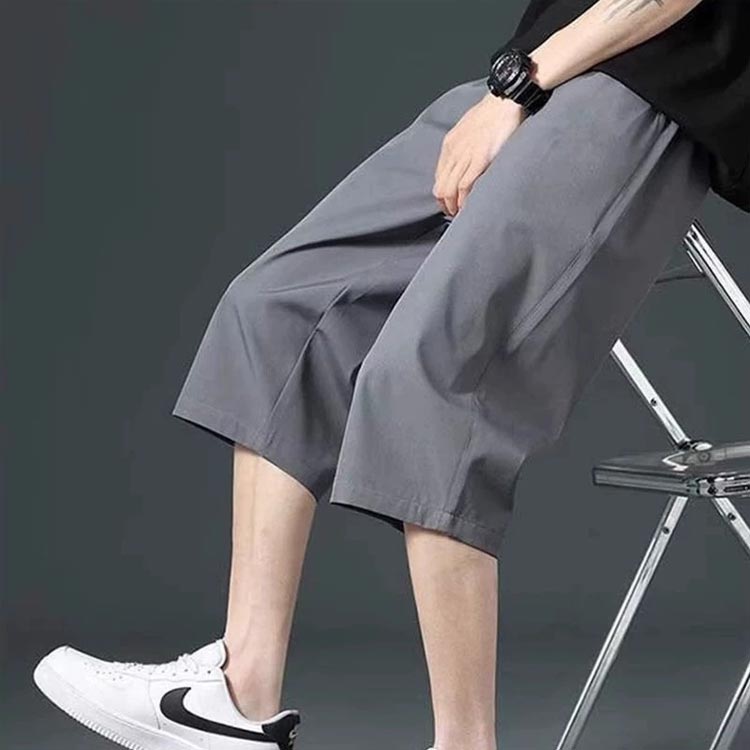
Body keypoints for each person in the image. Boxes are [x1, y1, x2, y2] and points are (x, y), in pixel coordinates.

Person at [32, 1, 749, 749]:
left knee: (428, 376)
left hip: (643, 88)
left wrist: (521, 85)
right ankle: (236, 695)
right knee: (279, 310)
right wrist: (517, 82)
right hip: (548, 63)